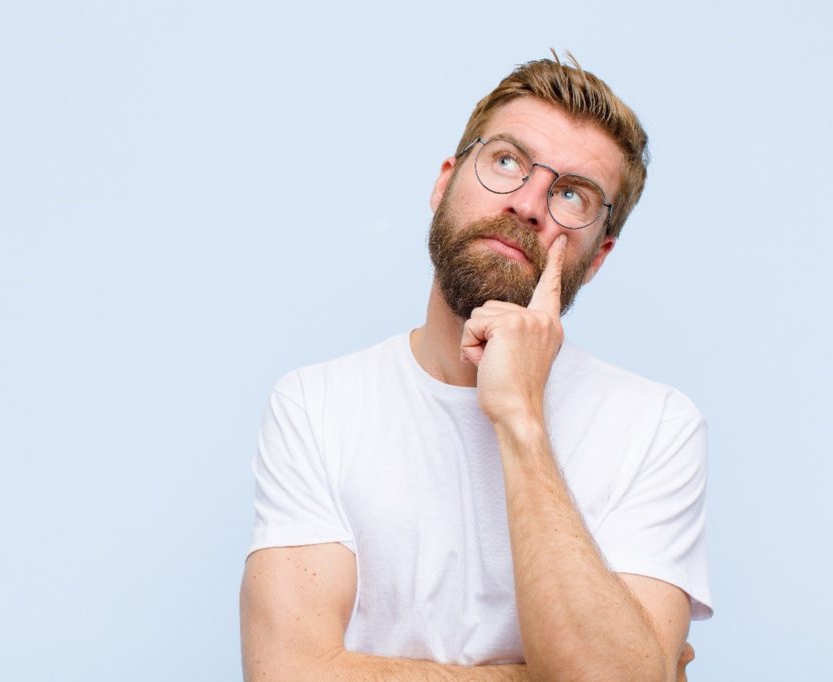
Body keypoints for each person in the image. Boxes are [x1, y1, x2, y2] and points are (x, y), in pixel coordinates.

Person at [240, 53, 712, 681]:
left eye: (572, 194)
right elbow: (287, 674)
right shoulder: (316, 404)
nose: (527, 203)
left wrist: (520, 419)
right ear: (444, 182)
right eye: (507, 162)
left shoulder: (657, 426)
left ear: (597, 257)